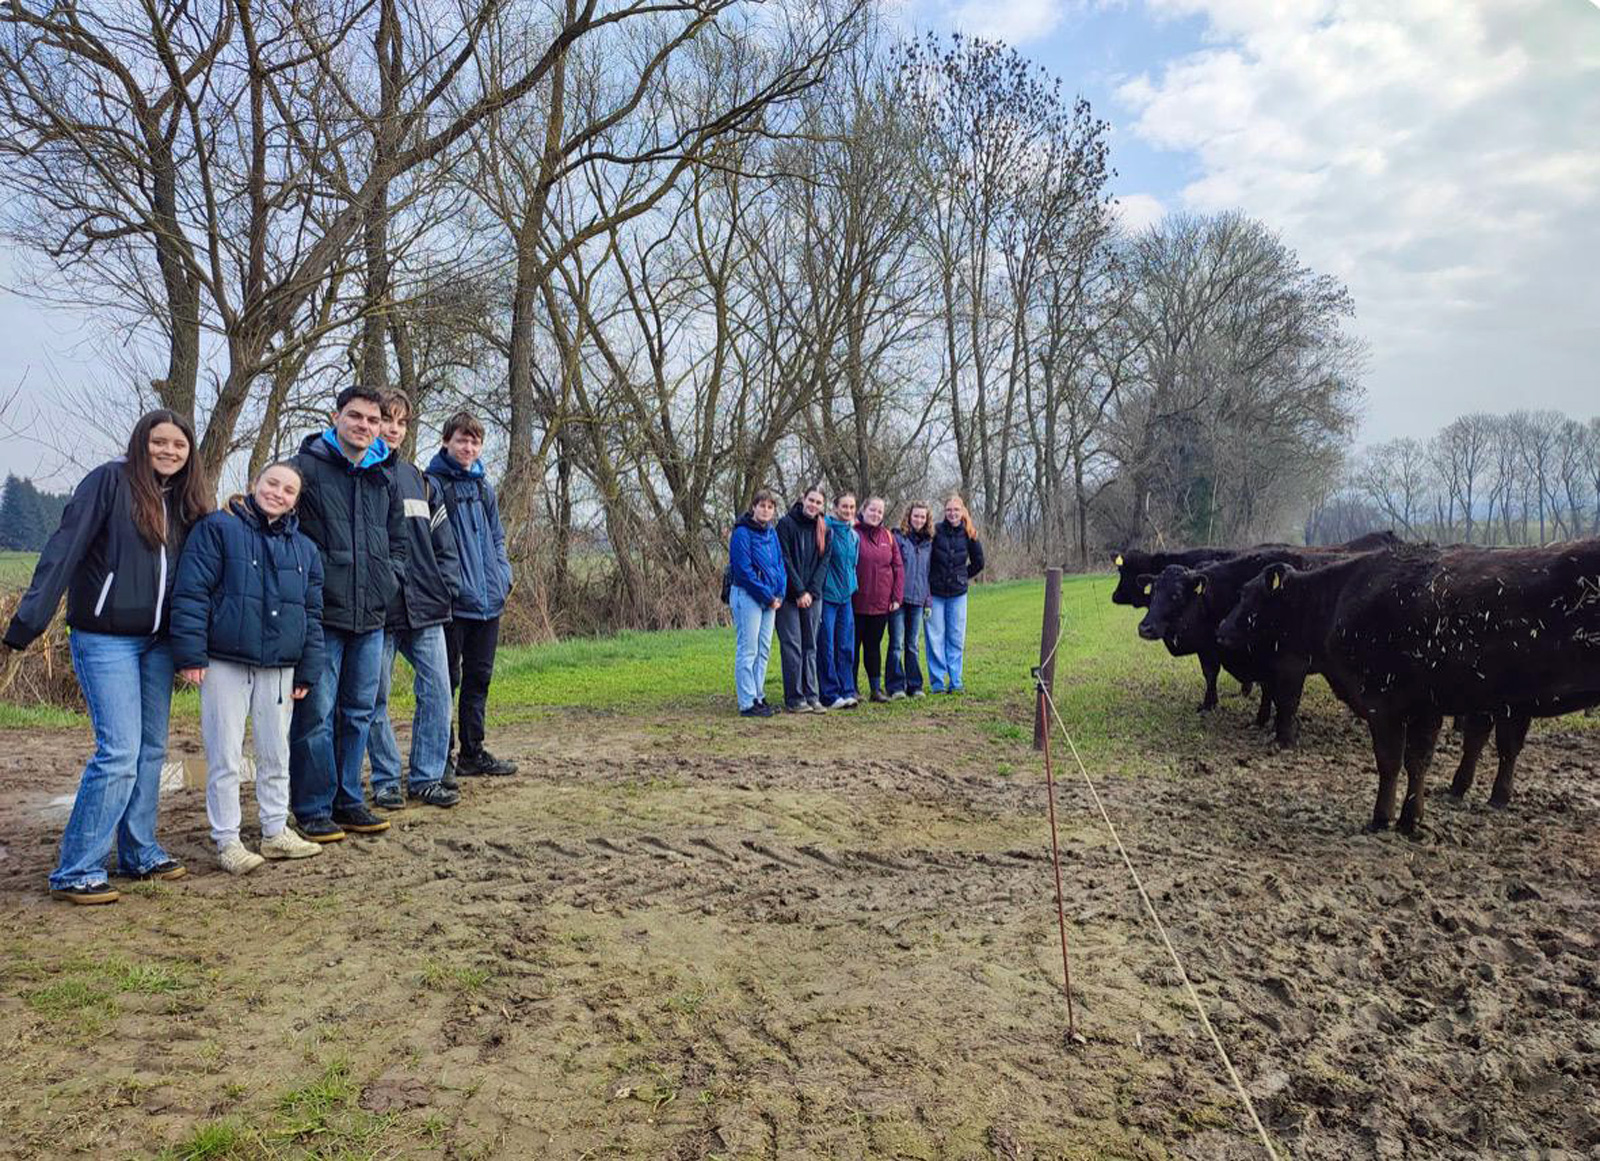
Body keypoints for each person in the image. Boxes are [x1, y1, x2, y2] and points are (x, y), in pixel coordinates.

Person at [3, 410, 210, 903]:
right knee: (118, 753)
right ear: (142, 443)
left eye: (178, 445)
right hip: (105, 638)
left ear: (189, 453)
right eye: (159, 442)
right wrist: (26, 624)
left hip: (159, 644)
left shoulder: (188, 501)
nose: (169, 451)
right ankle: (77, 868)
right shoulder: (108, 483)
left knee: (151, 751)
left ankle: (139, 851)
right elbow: (64, 551)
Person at [169, 463, 327, 873]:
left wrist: (308, 669)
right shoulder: (217, 529)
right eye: (272, 483)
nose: (278, 493)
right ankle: (228, 840)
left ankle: (275, 831)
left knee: (276, 751)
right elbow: (192, 591)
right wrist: (190, 653)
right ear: (255, 483)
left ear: (296, 500)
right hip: (226, 660)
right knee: (225, 753)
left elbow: (311, 613)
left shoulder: (305, 550)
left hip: (280, 666)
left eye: (289, 490)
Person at [288, 386, 409, 842]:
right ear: (336, 417)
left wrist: (389, 580)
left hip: (371, 615)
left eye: (373, 420)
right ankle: (313, 807)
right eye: (355, 416)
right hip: (323, 616)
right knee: (316, 716)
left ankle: (348, 798)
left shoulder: (382, 475)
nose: (365, 426)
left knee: (359, 711)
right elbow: (288, 536)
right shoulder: (305, 469)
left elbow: (398, 541)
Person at [366, 390, 462, 810]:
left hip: (426, 603)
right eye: (387, 419)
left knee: (438, 692)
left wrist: (447, 584)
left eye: (401, 422)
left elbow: (444, 541)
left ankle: (426, 777)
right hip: (379, 610)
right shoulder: (359, 475)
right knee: (373, 699)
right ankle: (386, 779)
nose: (393, 429)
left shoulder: (418, 478)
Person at [426, 411, 518, 779]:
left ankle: (472, 752)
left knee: (479, 679)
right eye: (462, 440)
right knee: (444, 683)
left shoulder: (484, 489)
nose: (468, 447)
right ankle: (441, 758)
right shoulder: (433, 485)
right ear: (446, 441)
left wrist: (504, 577)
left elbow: (497, 537)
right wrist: (445, 588)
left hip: (488, 603)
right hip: (452, 605)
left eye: (475, 441)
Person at [727, 489, 786, 718]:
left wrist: (779, 593)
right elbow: (743, 571)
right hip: (748, 596)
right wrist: (767, 596)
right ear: (753, 507)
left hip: (771, 599)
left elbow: (779, 564)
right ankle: (747, 702)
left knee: (763, 649)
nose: (766, 510)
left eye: (770, 507)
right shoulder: (742, 533)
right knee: (748, 649)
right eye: (762, 506)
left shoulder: (772, 533)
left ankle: (758, 696)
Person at [774, 486, 830, 713]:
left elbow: (824, 563)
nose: (813, 505)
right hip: (789, 597)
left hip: (813, 597)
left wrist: (811, 592)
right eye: (811, 500)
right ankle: (795, 698)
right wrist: (798, 591)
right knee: (792, 646)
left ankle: (812, 695)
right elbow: (784, 559)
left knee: (810, 646)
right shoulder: (786, 524)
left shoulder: (825, 529)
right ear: (803, 499)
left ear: (822, 506)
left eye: (818, 502)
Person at [926, 493, 985, 695]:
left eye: (956, 510)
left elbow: (979, 562)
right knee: (935, 638)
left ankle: (956, 681)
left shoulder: (969, 533)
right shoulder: (935, 531)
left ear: (962, 511)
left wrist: (962, 576)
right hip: (935, 594)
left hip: (958, 594)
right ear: (944, 512)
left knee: (956, 637)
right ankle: (937, 683)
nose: (952, 513)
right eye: (949, 510)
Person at [852, 496, 904, 703]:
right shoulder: (853, 533)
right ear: (863, 510)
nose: (876, 514)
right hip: (855, 602)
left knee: (873, 647)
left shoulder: (888, 537)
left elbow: (898, 567)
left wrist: (896, 597)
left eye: (880, 511)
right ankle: (852, 688)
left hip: (881, 604)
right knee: (853, 647)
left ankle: (875, 689)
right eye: (872, 510)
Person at [817, 492, 860, 710]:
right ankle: (829, 693)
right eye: (845, 506)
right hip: (828, 596)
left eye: (852, 507)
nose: (848, 511)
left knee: (846, 646)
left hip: (846, 598)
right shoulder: (826, 529)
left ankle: (847, 690)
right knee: (827, 646)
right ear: (835, 508)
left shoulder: (854, 535)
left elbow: (853, 564)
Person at [889, 501, 933, 699]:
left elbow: (929, 573)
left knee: (912, 644)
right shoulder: (898, 538)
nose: (919, 520)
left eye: (923, 517)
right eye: (916, 516)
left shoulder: (929, 543)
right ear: (909, 516)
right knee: (896, 643)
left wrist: (928, 601)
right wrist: (893, 596)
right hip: (898, 600)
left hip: (918, 600)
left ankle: (914, 685)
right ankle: (895, 686)